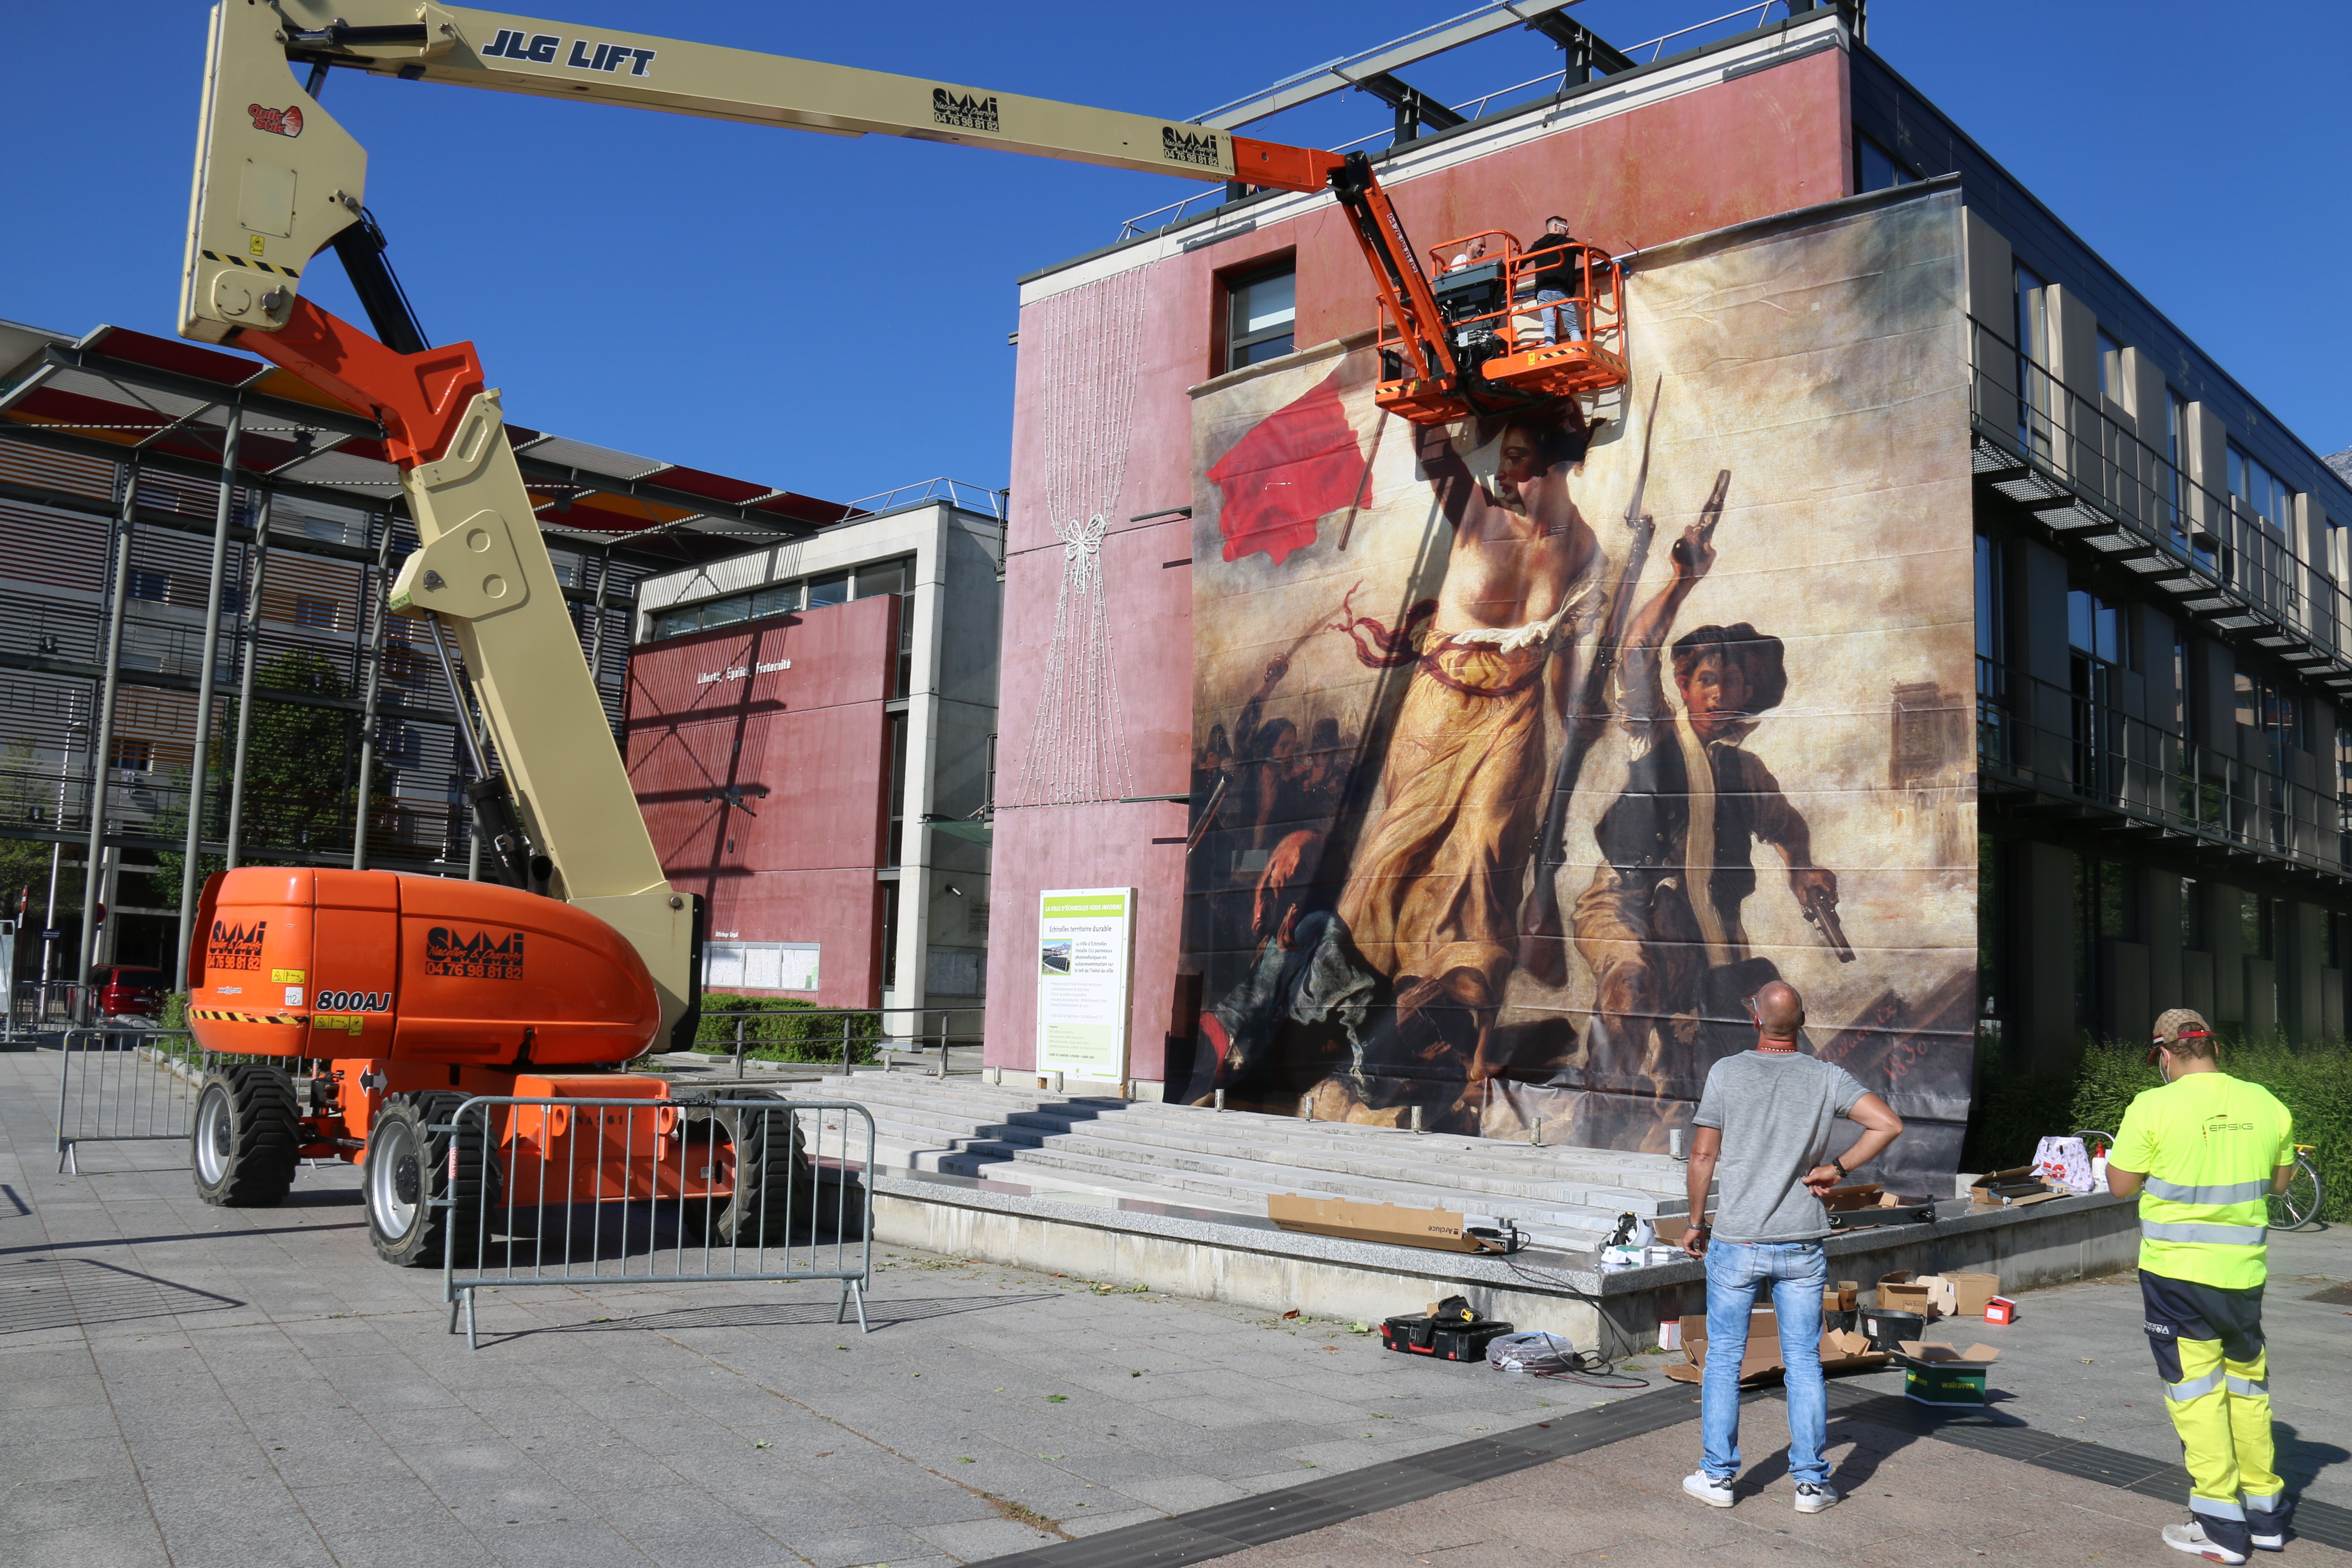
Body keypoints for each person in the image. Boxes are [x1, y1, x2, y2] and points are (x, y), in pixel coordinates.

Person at [1328, 404, 1604, 1082]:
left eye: (1516, 457)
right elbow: (1431, 448)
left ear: (1551, 463)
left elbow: (1568, 646)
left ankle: (1472, 1035)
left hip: (1515, 711)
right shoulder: (1477, 516)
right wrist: (1437, 386)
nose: (1504, 471)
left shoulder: (1583, 546)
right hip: (1441, 706)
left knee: (1488, 855)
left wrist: (1576, 720)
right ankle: (1357, 1010)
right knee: (1397, 851)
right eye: (1502, 456)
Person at [1571, 519, 1837, 1145]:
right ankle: (1596, 1130)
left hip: (1707, 923)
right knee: (1631, 991)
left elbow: (1787, 825)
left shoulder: (1747, 772)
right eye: (1706, 680)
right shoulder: (1656, 736)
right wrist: (1682, 580)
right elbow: (1637, 653)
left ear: (1748, 691)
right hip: (1629, 904)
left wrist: (1802, 866)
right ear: (1686, 687)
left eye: (1731, 681)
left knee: (1705, 1053)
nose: (1719, 692)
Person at [1679, 980, 1903, 1515]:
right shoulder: (1828, 1078)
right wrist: (1838, 1168)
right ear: (1803, 1022)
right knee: (1804, 1362)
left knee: (1724, 1361)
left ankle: (1718, 1477)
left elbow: (1703, 1157)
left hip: (1737, 1238)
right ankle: (1809, 1485)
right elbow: (1888, 1124)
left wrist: (1694, 1221)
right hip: (1801, 1240)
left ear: (1756, 1020)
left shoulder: (1727, 1072)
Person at [2104, 1008, 2299, 1564]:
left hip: (2178, 1277)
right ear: (2213, 1049)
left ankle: (2219, 1525)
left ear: (2164, 1055)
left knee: (2196, 1395)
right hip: (2243, 1276)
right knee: (2248, 1388)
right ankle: (2266, 1517)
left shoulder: (2153, 1105)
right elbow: (2280, 1183)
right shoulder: (2266, 1102)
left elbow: (2120, 1186)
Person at [1519, 215, 1582, 345]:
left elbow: (1522, 262)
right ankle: (1578, 350)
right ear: (1556, 227)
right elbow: (1587, 251)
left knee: (1548, 326)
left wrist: (1505, 269)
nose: (1568, 232)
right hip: (1562, 290)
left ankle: (1550, 351)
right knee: (1573, 328)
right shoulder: (1569, 243)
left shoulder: (1538, 246)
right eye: (1566, 228)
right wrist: (1608, 258)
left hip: (1544, 291)